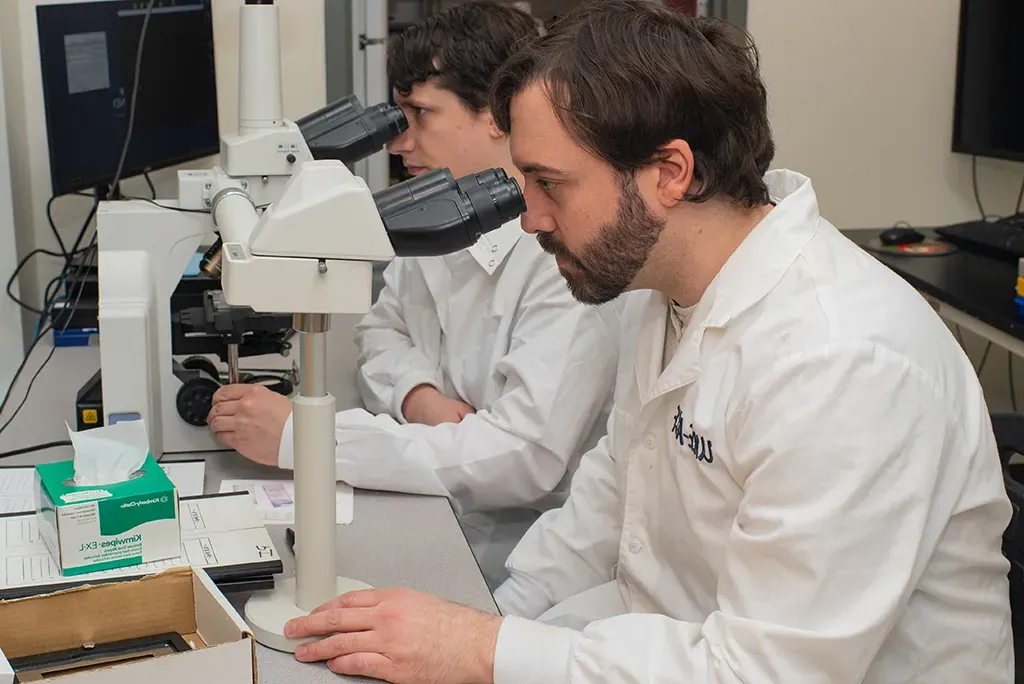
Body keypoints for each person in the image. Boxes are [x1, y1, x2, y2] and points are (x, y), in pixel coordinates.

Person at [278, 1, 1015, 683]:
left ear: (670, 172)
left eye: (549, 184)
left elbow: (767, 671)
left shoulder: (840, 361)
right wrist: (490, 617)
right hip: (661, 644)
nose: (528, 218)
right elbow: (609, 499)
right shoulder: (660, 286)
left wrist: (482, 648)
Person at [206, 0, 619, 589]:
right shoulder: (442, 218)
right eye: (398, 118)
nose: (400, 144)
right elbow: (380, 330)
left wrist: (308, 439)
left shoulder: (563, 258)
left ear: (500, 116)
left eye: (421, 115)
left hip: (516, 560)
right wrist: (417, 394)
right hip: (432, 510)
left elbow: (520, 456)